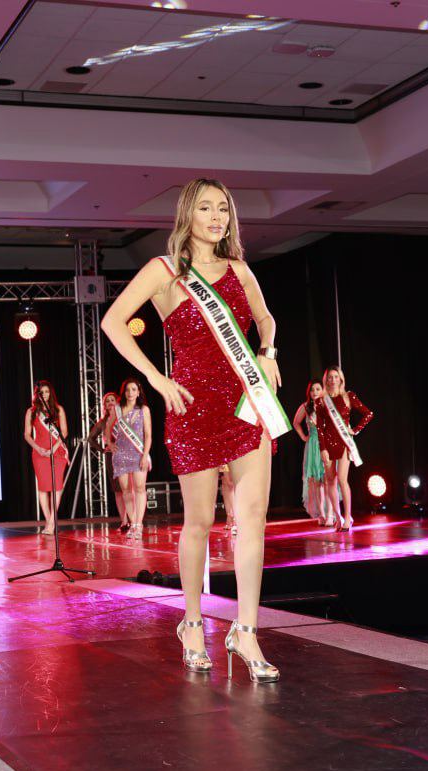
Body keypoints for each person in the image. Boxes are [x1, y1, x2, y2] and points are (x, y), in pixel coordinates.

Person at [101, 177, 289, 682]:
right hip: (192, 407)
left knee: (253, 518)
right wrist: (155, 377)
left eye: (223, 209)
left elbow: (265, 319)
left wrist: (267, 353)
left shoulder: (239, 269)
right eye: (206, 208)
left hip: (245, 405)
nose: (216, 218)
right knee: (200, 522)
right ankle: (191, 623)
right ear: (187, 214)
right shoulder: (163, 271)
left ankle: (246, 630)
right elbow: (113, 322)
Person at [315, 366, 373, 531]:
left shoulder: (348, 396)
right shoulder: (321, 401)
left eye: (336, 377)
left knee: (342, 479)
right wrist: (322, 449)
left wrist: (355, 430)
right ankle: (337, 516)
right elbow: (320, 428)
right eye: (330, 377)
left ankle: (348, 517)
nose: (333, 380)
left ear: (341, 379)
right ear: (326, 380)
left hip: (344, 443)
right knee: (330, 481)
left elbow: (368, 414)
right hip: (328, 444)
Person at [23, 380, 69, 535]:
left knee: (57, 487)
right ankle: (49, 522)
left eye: (47, 391)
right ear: (37, 394)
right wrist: (39, 449)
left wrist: (53, 449)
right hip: (40, 452)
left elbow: (64, 432)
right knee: (43, 487)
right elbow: (27, 434)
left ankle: (51, 523)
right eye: (41, 392)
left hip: (57, 451)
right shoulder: (31, 412)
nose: (45, 395)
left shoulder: (58, 409)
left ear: (51, 393)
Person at [109, 378, 153, 538]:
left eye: (134, 389)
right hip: (121, 455)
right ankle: (133, 523)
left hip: (138, 453)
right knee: (126, 491)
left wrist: (145, 454)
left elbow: (148, 435)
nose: (130, 393)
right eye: (127, 390)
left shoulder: (144, 410)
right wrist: (110, 444)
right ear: (124, 392)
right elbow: (107, 428)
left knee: (140, 488)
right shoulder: (118, 409)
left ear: (138, 392)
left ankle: (139, 525)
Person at [87, 392, 130, 532]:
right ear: (104, 406)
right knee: (118, 490)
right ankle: (124, 522)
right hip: (112, 456)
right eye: (107, 401)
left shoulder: (124, 417)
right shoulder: (103, 422)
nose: (110, 402)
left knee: (129, 488)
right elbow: (90, 438)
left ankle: (134, 520)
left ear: (117, 402)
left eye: (113, 400)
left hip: (127, 454)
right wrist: (102, 449)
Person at [292, 381, 330, 524]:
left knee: (328, 480)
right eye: (312, 390)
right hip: (313, 445)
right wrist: (304, 437)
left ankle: (330, 513)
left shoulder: (328, 405)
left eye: (318, 389)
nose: (315, 392)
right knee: (316, 482)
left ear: (323, 390)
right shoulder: (306, 407)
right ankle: (321, 514)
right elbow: (296, 422)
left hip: (327, 445)